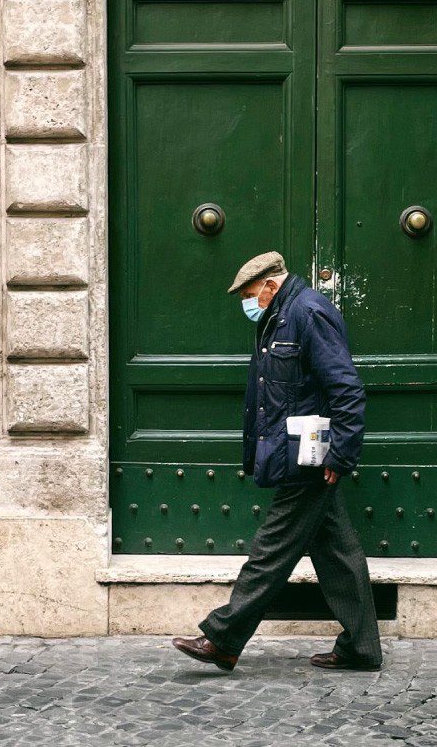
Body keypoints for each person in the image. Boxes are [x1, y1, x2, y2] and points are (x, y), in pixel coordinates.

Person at [171, 251, 383, 672]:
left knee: (271, 550)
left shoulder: (307, 312)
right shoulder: (280, 317)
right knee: (338, 552)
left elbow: (346, 388)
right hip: (296, 453)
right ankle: (361, 648)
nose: (249, 304)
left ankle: (224, 638)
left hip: (308, 459)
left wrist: (341, 453)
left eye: (250, 295)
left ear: (270, 285)